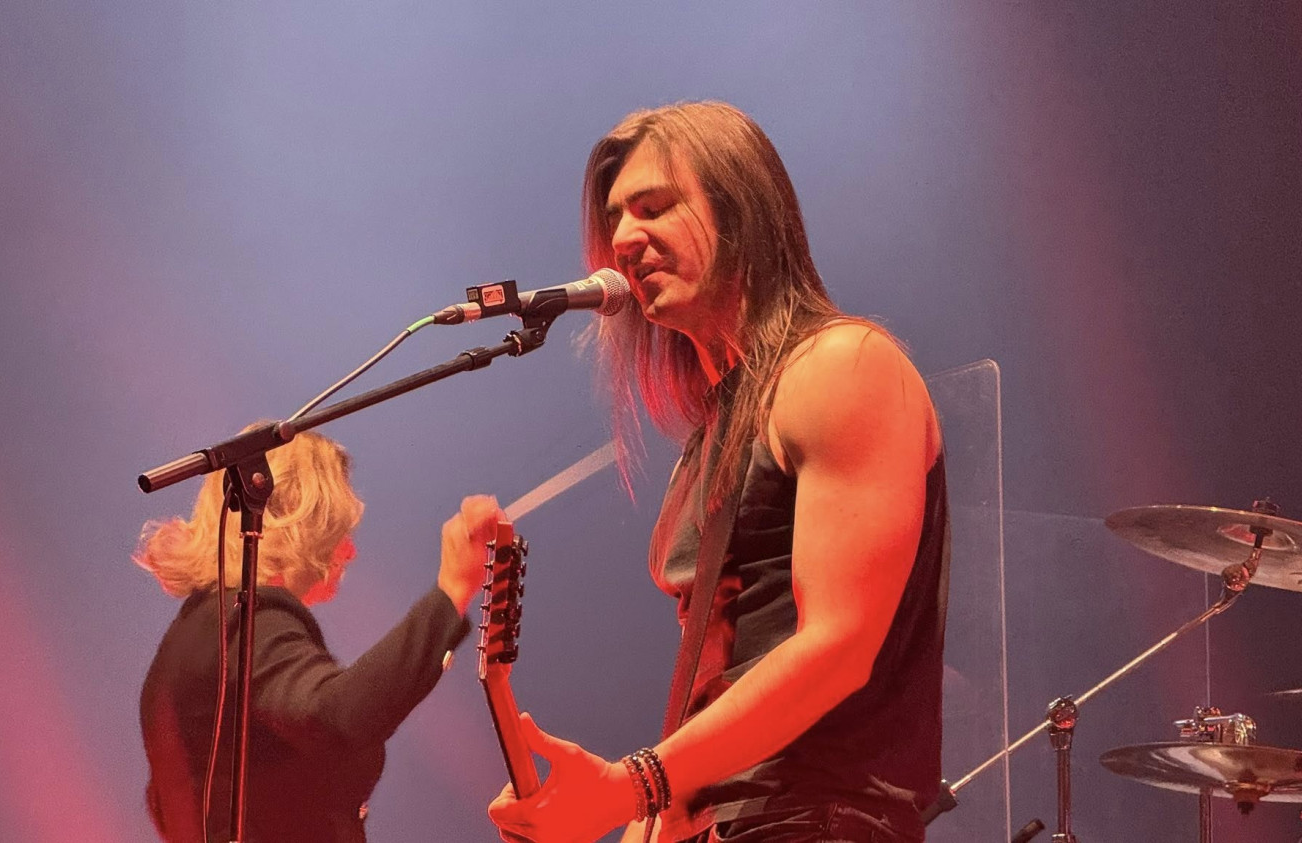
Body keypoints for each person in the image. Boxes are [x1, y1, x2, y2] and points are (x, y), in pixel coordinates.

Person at [488, 101, 948, 842]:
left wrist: (632, 785)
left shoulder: (843, 366)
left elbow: (837, 648)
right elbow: (719, 682)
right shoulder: (714, 432)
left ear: (739, 214)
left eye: (654, 207)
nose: (623, 238)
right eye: (616, 218)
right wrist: (627, 814)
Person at [136, 429, 503, 843]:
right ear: (300, 523)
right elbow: (337, 715)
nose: (350, 551)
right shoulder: (246, 620)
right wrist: (452, 590)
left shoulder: (194, 635)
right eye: (338, 530)